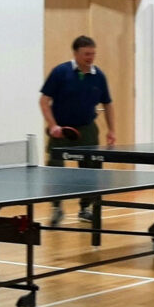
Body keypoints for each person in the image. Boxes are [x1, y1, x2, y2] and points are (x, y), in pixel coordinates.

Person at [40, 35, 116, 225]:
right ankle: (57, 208)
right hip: (62, 131)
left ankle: (85, 208)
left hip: (88, 129)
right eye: (86, 54)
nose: (90, 57)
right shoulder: (60, 72)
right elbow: (44, 101)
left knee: (91, 172)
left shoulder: (99, 76)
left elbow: (108, 104)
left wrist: (111, 130)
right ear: (75, 53)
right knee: (56, 170)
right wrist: (52, 125)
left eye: (93, 54)